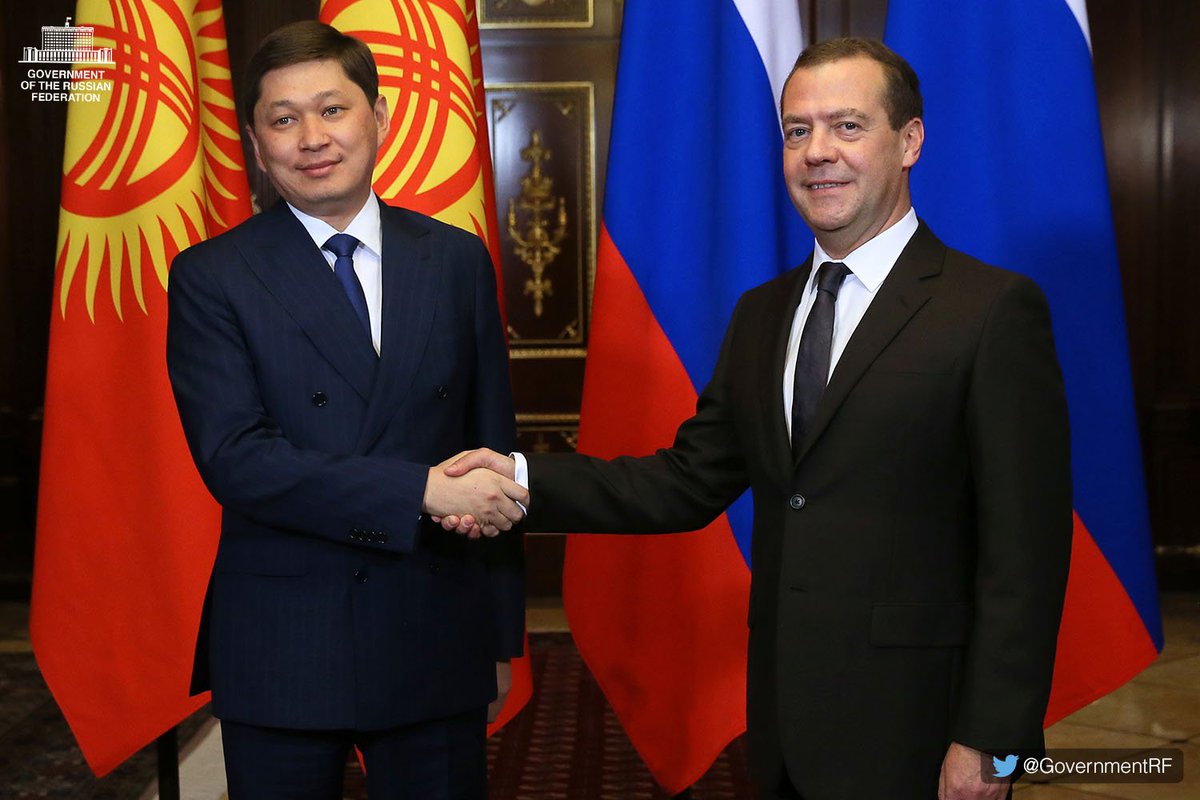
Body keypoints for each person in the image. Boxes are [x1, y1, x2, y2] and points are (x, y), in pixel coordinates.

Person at [441, 38, 1072, 800]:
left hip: (921, 728)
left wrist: (992, 742)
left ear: (909, 142)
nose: (817, 152)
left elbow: (1025, 558)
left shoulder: (991, 311)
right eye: (797, 130)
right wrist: (517, 479)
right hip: (784, 727)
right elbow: (683, 483)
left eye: (847, 126)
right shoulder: (762, 314)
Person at [166, 20, 528, 800]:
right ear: (256, 143)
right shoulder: (212, 275)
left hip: (434, 628)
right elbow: (237, 459)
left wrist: (500, 637)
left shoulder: (455, 259)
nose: (312, 138)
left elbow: (490, 445)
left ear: (379, 117)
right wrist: (418, 491)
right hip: (284, 641)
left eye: (332, 109)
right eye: (283, 119)